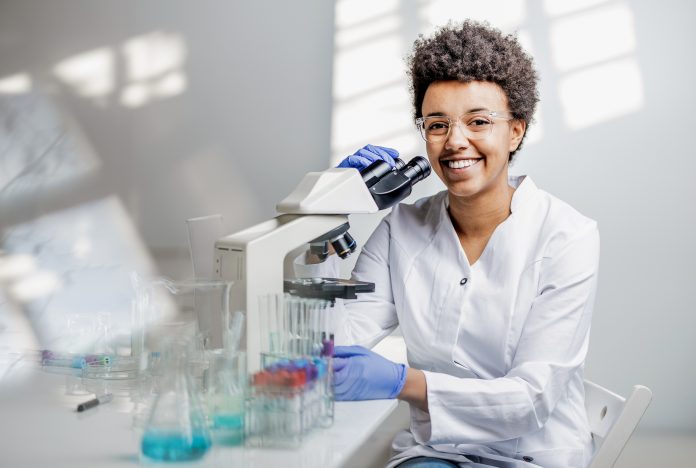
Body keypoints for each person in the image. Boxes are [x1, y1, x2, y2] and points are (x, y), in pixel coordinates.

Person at [297, 20, 599, 468]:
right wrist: (325, 213)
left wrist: (403, 381)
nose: (455, 142)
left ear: (515, 130)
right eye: (437, 124)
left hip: (534, 457)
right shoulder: (402, 227)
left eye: (479, 121)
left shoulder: (567, 235)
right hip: (438, 453)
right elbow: (329, 346)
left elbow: (529, 401)